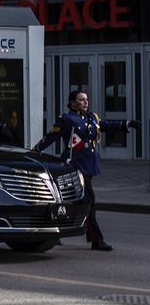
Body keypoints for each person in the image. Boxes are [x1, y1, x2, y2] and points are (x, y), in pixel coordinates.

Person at [33, 90, 140, 252]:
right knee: (88, 200)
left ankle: (54, 233)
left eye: (86, 99)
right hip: (75, 164)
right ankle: (96, 239)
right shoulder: (66, 119)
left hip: (89, 164)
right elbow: (51, 137)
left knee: (69, 200)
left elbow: (103, 126)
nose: (85, 102)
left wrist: (127, 124)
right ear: (72, 102)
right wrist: (35, 151)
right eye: (81, 99)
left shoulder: (91, 118)